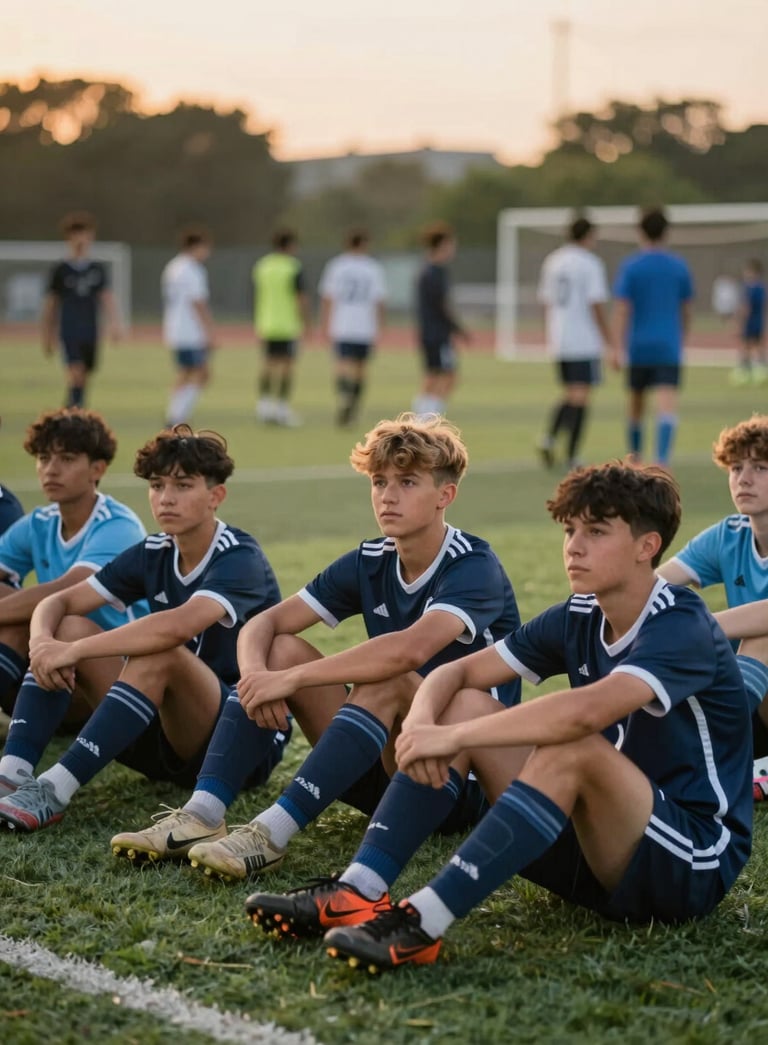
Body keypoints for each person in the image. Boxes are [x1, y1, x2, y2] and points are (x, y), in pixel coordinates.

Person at [244, 461, 751, 969]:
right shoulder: (578, 615)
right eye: (571, 529)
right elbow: (456, 675)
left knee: (570, 747)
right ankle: (359, 888)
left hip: (689, 861)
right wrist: (423, 725)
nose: (574, 546)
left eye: (596, 532)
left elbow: (584, 712)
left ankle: (424, 920)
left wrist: (455, 736)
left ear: (648, 546)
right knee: (463, 702)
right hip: (595, 850)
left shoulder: (682, 624)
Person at [116, 414, 521, 878]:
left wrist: (290, 680)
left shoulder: (473, 565)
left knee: (385, 674)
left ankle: (269, 833)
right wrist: (256, 677)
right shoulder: (371, 559)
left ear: (445, 496)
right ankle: (202, 815)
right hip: (384, 764)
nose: (388, 495)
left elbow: (407, 651)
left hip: (452, 781)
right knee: (279, 648)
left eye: (408, 482)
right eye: (380, 481)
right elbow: (264, 623)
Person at [0, 426, 286, 831]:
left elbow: (176, 627)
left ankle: (53, 790)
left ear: (215, 496)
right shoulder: (155, 550)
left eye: (183, 485)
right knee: (69, 626)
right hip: (161, 735)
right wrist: (44, 641)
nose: (166, 497)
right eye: (156, 485)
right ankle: (11, 774)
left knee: (162, 652)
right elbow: (58, 601)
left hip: (237, 745)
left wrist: (75, 652)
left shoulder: (239, 556)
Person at [0, 409, 147, 721]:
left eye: (66, 459)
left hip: (112, 675)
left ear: (98, 468)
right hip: (58, 663)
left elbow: (68, 590)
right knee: (15, 609)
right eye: (43, 458)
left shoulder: (118, 526)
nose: (50, 470)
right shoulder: (39, 523)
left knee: (47, 617)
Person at [657, 415, 768, 782]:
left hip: (749, 694)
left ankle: (701, 757)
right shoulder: (729, 534)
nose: (744, 479)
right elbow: (655, 586)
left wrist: (700, 627)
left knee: (760, 636)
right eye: (736, 467)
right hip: (752, 701)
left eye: (760, 468)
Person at [611, 208, 694, 467]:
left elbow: (623, 308)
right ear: (666, 232)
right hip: (668, 345)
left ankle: (635, 460)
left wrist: (616, 346)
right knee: (666, 405)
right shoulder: (678, 266)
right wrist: (682, 337)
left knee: (636, 404)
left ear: (640, 232)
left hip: (639, 346)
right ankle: (662, 461)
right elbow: (686, 309)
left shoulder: (632, 266)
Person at [536, 217, 612, 470]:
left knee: (571, 393)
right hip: (583, 340)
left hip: (560, 338)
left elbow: (546, 301)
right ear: (588, 235)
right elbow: (596, 304)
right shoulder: (590, 263)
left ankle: (549, 438)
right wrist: (609, 339)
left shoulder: (553, 261)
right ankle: (571, 454)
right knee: (581, 397)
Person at [41, 212, 122, 408]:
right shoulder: (61, 270)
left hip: (91, 329)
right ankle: (74, 416)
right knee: (75, 373)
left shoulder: (96, 269)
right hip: (70, 329)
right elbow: (51, 303)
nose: (81, 239)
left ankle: (73, 411)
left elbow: (106, 297)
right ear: (68, 237)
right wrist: (47, 334)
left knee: (84, 375)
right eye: (76, 234)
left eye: (85, 234)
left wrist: (115, 324)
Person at [318, 229, 387, 427]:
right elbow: (379, 299)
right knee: (360, 368)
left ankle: (343, 396)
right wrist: (381, 324)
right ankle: (354, 406)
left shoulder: (337, 266)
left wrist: (325, 323)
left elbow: (328, 297)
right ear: (364, 244)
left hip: (342, 323)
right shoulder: (372, 267)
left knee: (341, 364)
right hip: (364, 325)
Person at [412, 222, 469, 420]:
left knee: (434, 376)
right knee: (447, 376)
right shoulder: (433, 273)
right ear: (443, 244)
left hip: (430, 332)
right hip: (437, 333)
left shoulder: (428, 270)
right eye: (451, 244)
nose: (454, 248)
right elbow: (441, 306)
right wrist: (458, 329)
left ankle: (423, 418)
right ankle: (426, 419)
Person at [253, 229, 309, 427]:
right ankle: (282, 409)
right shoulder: (292, 266)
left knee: (267, 365)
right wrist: (306, 322)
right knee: (286, 367)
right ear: (290, 245)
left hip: (266, 322)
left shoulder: (263, 265)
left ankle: (264, 406)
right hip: (287, 324)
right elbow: (300, 297)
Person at [161, 229, 217, 426]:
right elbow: (198, 302)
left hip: (176, 328)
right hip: (190, 331)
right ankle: (176, 416)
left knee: (187, 373)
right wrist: (210, 330)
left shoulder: (173, 267)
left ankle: (177, 415)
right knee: (200, 373)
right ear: (196, 246)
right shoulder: (192, 269)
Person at [729, 260, 766, 386]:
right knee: (758, 346)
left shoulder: (749, 288)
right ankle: (760, 372)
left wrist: (738, 323)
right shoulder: (761, 288)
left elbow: (746, 307)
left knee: (746, 347)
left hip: (750, 322)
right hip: (759, 321)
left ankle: (743, 373)